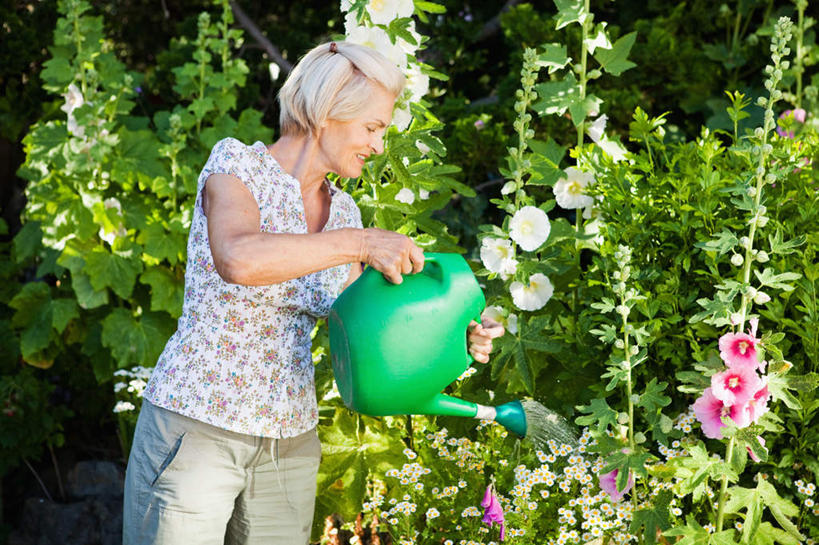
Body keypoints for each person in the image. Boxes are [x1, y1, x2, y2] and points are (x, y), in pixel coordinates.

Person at [122, 40, 504, 545]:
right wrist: (361, 244)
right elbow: (239, 258)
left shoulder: (344, 214)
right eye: (372, 127)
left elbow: (369, 330)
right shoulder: (237, 168)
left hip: (289, 444)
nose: (377, 144)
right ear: (328, 112)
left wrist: (458, 335)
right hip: (198, 427)